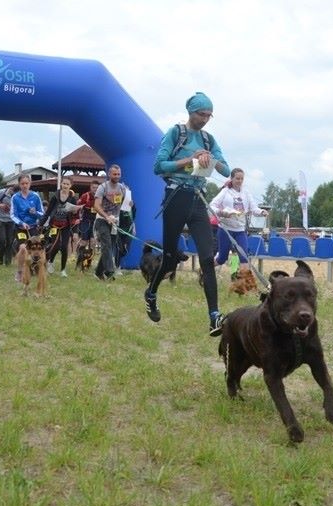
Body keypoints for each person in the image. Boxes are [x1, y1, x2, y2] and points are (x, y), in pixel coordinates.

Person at [146, 91, 231, 336]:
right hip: (175, 197)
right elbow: (158, 166)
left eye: (208, 115)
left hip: (197, 200)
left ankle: (214, 316)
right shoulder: (176, 133)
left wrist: (210, 158)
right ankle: (151, 293)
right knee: (171, 258)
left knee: (207, 258)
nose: (204, 119)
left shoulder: (208, 139)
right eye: (201, 114)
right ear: (190, 112)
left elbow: (225, 171)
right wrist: (188, 160)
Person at [209, 168, 268, 276]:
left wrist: (261, 212)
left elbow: (253, 208)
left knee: (244, 257)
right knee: (222, 258)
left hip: (240, 230)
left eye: (242, 179)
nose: (240, 181)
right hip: (225, 229)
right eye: (237, 178)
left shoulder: (246, 192)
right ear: (232, 178)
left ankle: (243, 285)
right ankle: (205, 269)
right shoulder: (225, 191)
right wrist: (221, 212)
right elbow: (212, 206)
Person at [39, 176, 82, 277]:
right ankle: (50, 261)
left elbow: (75, 216)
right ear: (61, 184)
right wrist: (40, 224)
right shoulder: (55, 197)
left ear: (70, 186)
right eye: (64, 183)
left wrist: (75, 231)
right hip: (54, 224)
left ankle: (63, 270)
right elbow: (48, 212)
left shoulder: (72, 198)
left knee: (64, 247)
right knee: (56, 245)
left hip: (66, 225)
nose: (65, 186)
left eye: (67, 184)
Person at [92, 165, 126, 281]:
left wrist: (129, 205)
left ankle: (98, 272)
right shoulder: (103, 187)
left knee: (109, 247)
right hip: (101, 220)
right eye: (114, 174)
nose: (117, 176)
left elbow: (122, 205)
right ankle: (110, 272)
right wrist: (106, 217)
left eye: (118, 174)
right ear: (109, 174)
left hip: (114, 222)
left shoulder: (122, 188)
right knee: (106, 245)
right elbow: (96, 205)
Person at [10, 174, 44, 282]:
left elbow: (42, 213)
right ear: (19, 184)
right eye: (22, 183)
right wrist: (21, 222)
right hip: (20, 227)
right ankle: (19, 272)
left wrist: (35, 212)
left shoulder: (36, 196)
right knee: (23, 248)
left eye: (27, 183)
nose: (25, 185)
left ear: (30, 183)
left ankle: (34, 268)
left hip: (33, 227)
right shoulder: (15, 197)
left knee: (35, 249)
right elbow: (12, 215)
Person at [0, 183, 18, 266]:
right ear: (11, 189)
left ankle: (8, 261)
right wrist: (0, 205)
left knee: (10, 241)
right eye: (12, 193)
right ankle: (1, 256)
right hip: (0, 220)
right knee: (2, 240)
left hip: (11, 221)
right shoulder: (2, 193)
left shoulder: (18, 196)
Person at [115, 183, 136, 273]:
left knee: (125, 249)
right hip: (118, 228)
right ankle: (116, 267)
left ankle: (116, 264)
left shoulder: (130, 201)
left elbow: (134, 215)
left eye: (126, 190)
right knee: (119, 248)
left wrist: (133, 206)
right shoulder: (116, 199)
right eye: (123, 189)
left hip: (129, 228)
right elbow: (114, 211)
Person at [76, 180, 100, 252]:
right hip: (85, 221)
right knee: (84, 241)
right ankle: (79, 255)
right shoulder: (85, 196)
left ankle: (89, 259)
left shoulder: (100, 197)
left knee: (93, 241)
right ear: (90, 187)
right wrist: (77, 218)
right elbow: (77, 207)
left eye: (97, 188)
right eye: (94, 187)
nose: (95, 189)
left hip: (95, 222)